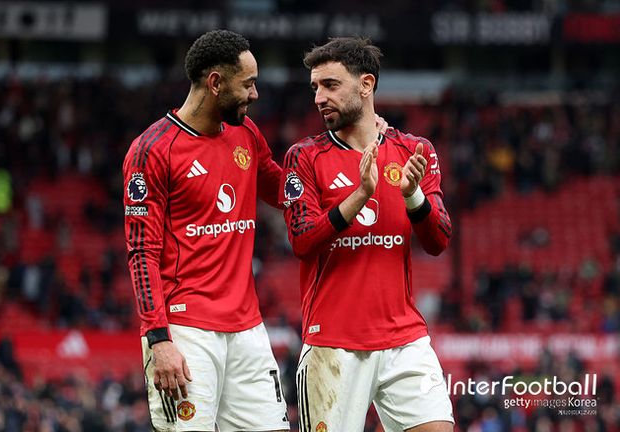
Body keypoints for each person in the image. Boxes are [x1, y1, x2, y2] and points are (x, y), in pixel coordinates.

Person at [280, 37, 455, 432]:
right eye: (315, 88)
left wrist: (412, 196)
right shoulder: (304, 156)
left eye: (331, 85)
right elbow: (302, 241)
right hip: (333, 344)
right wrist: (360, 195)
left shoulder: (414, 150)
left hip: (404, 339)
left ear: (366, 84)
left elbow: (439, 240)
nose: (319, 98)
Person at [122, 30, 289, 432]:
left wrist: (351, 158)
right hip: (186, 331)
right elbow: (142, 252)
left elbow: (285, 191)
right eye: (248, 84)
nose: (255, 94)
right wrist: (159, 339)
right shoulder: (152, 150)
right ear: (215, 83)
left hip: (247, 329)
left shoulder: (246, 134)